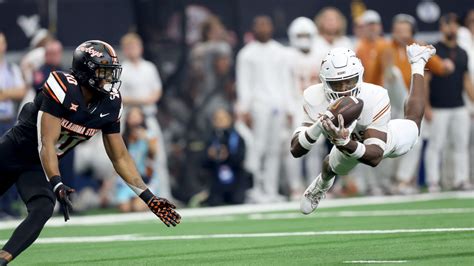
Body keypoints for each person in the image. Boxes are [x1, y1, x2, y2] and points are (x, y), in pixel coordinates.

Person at [0, 40, 181, 265]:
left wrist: (149, 198)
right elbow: (46, 142)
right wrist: (56, 182)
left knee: (42, 208)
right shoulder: (62, 86)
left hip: (36, 166)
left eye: (112, 72)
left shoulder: (111, 104)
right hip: (12, 152)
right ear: (86, 70)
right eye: (104, 72)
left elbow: (120, 156)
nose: (109, 79)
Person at [290, 44, 435, 214]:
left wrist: (344, 142)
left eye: (349, 82)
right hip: (346, 145)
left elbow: (374, 157)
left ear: (359, 77)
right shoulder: (314, 96)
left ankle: (418, 62)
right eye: (337, 84)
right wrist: (319, 125)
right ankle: (321, 185)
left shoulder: (375, 96)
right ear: (324, 83)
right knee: (332, 167)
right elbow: (296, 149)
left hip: (379, 141)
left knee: (413, 127)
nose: (345, 91)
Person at [236, 15, 291, 203]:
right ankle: (255, 189)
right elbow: (244, 83)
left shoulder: (280, 52)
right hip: (257, 106)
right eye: (259, 25)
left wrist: (288, 108)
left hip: (277, 105)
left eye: (266, 25)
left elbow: (286, 82)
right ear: (253, 29)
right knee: (257, 147)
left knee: (274, 149)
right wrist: (244, 108)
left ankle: (271, 189)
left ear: (272, 27)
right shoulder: (246, 54)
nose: (263, 28)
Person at [120, 33, 173, 201]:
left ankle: (164, 194)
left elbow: (157, 91)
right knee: (128, 159)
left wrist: (146, 101)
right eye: (129, 47)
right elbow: (119, 95)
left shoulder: (149, 67)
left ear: (141, 48)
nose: (132, 50)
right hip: (130, 120)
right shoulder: (122, 69)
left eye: (135, 46)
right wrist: (140, 102)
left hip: (148, 118)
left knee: (158, 156)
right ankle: (132, 196)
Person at [425, 13, 474, 191]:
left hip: (459, 105)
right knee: (436, 145)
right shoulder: (433, 51)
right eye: (448, 25)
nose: (451, 28)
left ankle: (461, 180)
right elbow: (426, 81)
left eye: (454, 25)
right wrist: (426, 106)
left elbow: (467, 80)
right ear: (441, 27)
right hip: (438, 107)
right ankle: (433, 181)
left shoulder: (462, 52)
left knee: (461, 145)